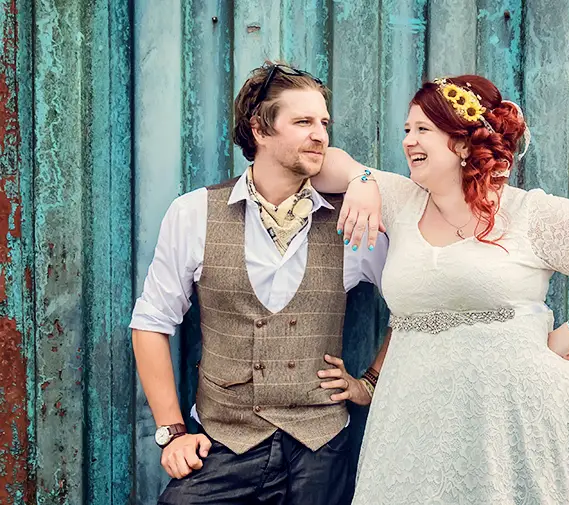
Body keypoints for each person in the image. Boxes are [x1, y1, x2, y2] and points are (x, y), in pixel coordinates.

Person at [312, 75, 569, 504]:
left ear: (463, 144)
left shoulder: (526, 213)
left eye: (423, 129)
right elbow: (323, 163)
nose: (409, 141)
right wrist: (365, 179)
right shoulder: (402, 199)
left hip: (517, 421)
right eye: (406, 130)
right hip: (417, 425)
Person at [130, 62, 387, 505]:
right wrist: (173, 433)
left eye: (324, 122)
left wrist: (370, 380)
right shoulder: (194, 213)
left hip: (321, 445)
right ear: (260, 128)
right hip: (224, 442)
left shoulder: (352, 218)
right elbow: (151, 322)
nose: (320, 135)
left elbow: (416, 307)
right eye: (303, 121)